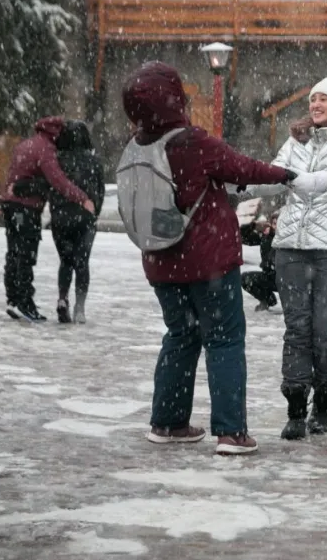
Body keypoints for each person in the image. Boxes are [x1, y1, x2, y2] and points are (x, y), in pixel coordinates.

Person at [122, 62, 300, 456]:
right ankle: (231, 433)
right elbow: (243, 168)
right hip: (208, 261)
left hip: (160, 261)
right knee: (225, 340)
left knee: (180, 336)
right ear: (175, 99)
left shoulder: (137, 145)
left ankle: (168, 423)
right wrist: (284, 174)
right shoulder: (191, 141)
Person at [250, 76, 327, 441]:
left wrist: (300, 179)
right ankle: (296, 408)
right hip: (290, 247)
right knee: (297, 327)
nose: (315, 104)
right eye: (313, 99)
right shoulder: (296, 140)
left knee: (326, 329)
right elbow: (274, 175)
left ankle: (325, 397)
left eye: (323, 99)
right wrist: (245, 181)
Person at [0, 116, 95, 322]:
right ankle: (24, 303)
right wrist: (83, 198)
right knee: (26, 253)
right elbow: (58, 181)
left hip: (9, 205)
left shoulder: (26, 144)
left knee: (13, 252)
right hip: (25, 208)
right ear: (56, 132)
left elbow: (18, 177)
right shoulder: (45, 150)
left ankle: (13, 299)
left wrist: (20, 189)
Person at [241, 211, 279, 312]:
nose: (277, 226)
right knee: (245, 278)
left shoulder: (287, 239)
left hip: (285, 279)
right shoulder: (266, 236)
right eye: (274, 223)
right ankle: (267, 300)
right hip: (269, 277)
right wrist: (251, 224)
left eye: (279, 223)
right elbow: (244, 238)